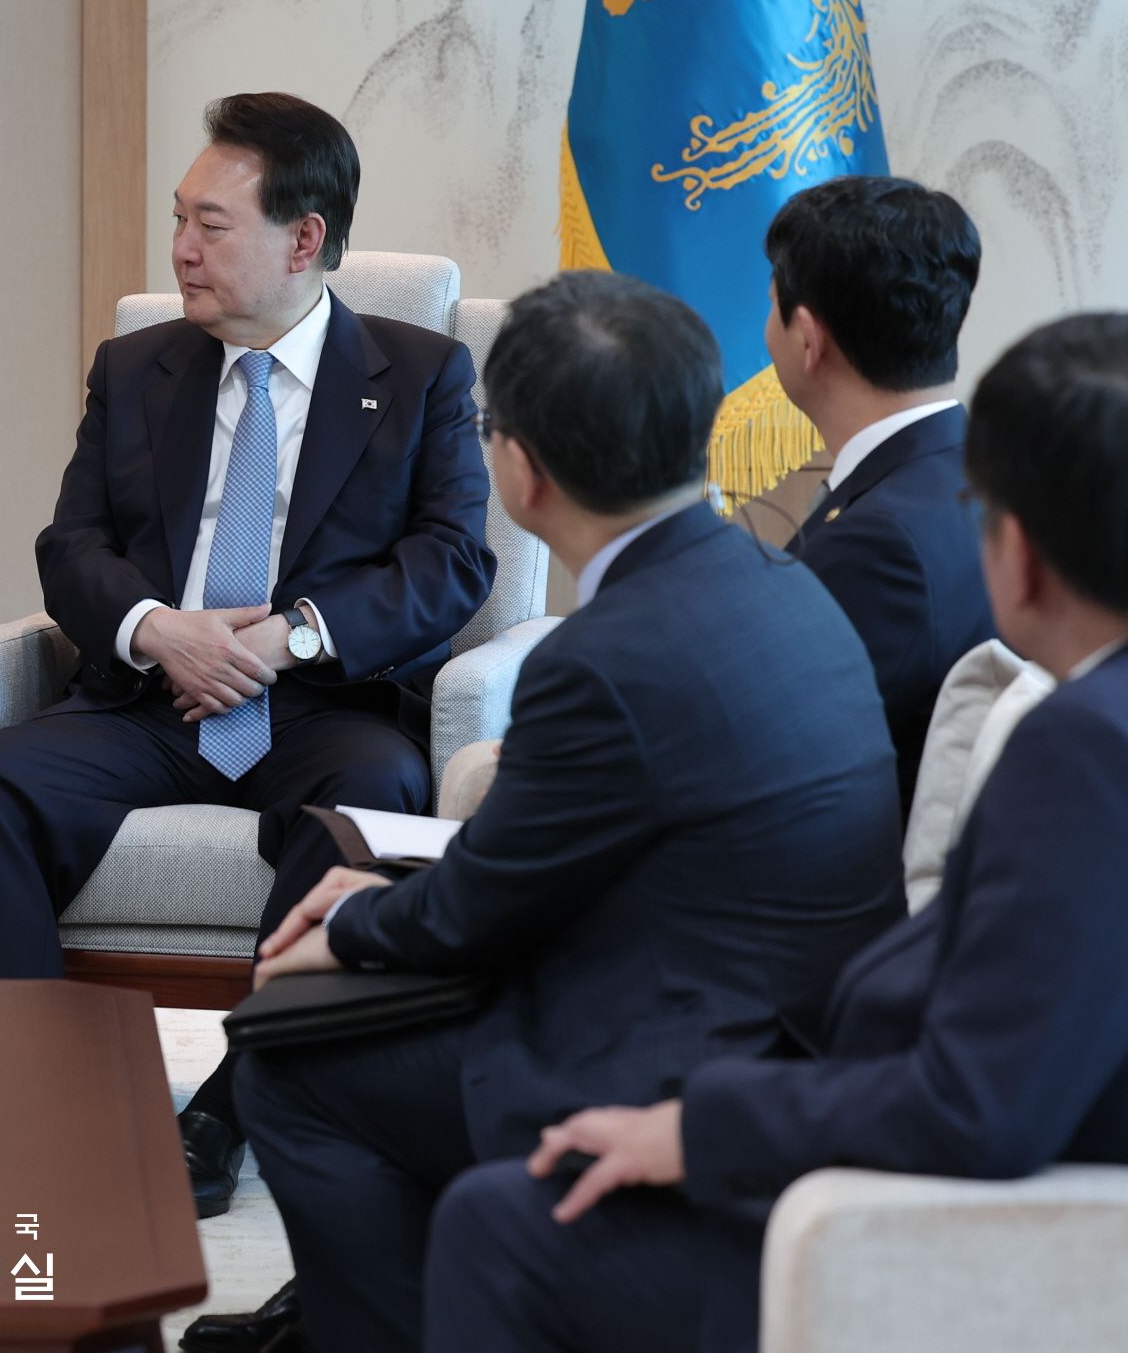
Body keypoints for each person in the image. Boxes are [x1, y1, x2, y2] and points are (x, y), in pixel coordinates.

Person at [225, 271, 904, 1353]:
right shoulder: (776, 577)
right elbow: (553, 854)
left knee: (285, 1055)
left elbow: (476, 918)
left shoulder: (597, 657)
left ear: (519, 470)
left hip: (684, 1057)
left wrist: (347, 921)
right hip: (784, 1016)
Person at [424, 311, 1128, 1353]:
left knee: (501, 1226)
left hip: (943, 1239)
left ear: (1015, 548)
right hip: (929, 1151)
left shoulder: (1085, 751)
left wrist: (696, 1130)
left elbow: (978, 1106)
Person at [0, 92, 498, 1220]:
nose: (181, 249)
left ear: (304, 239)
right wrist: (157, 630)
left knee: (379, 790)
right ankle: (3, 1101)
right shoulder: (138, 369)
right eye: (178, 219)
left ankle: (223, 1111)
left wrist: (291, 637)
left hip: (317, 705)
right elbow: (72, 545)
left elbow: (448, 563)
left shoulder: (421, 374)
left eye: (211, 224)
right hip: (150, 702)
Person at [763, 175, 995, 812]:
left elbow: (772, 758)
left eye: (770, 302)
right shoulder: (982, 470)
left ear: (808, 339)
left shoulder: (878, 544)